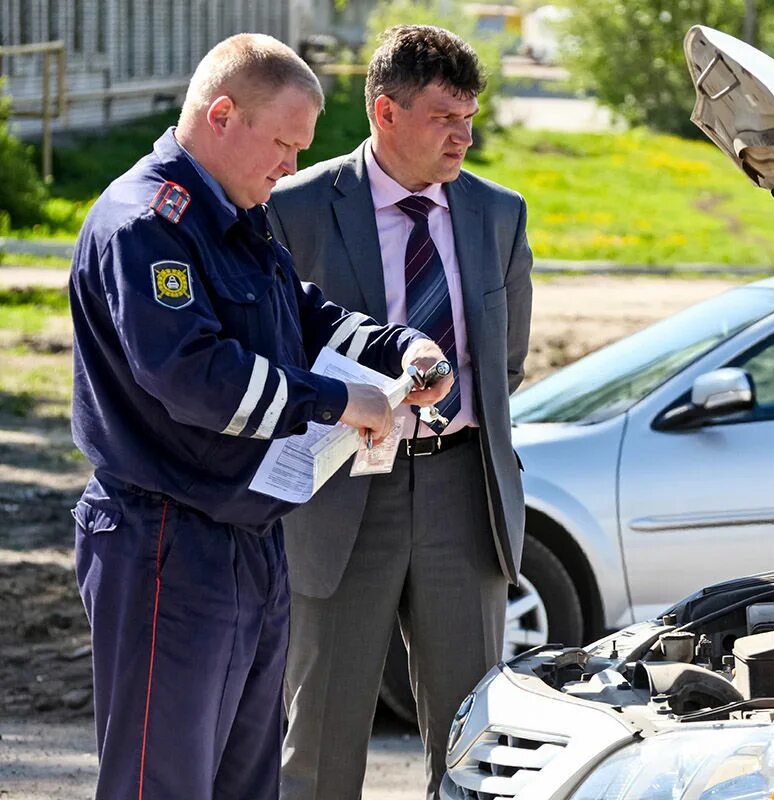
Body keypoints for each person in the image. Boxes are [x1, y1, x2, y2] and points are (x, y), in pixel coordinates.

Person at [69, 33, 451, 800]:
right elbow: (195, 377)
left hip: (248, 538)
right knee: (163, 781)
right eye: (282, 143)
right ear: (221, 115)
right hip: (166, 541)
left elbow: (300, 316)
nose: (290, 165)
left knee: (246, 781)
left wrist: (400, 350)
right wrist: (342, 399)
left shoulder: (236, 213)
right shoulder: (150, 223)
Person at [268, 25, 533, 799]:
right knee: (320, 731)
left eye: (471, 116)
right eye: (445, 117)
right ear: (385, 111)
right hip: (340, 491)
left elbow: (504, 365)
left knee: (476, 735)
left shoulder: (499, 213)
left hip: (463, 493)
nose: (466, 135)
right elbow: (282, 352)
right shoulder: (297, 208)